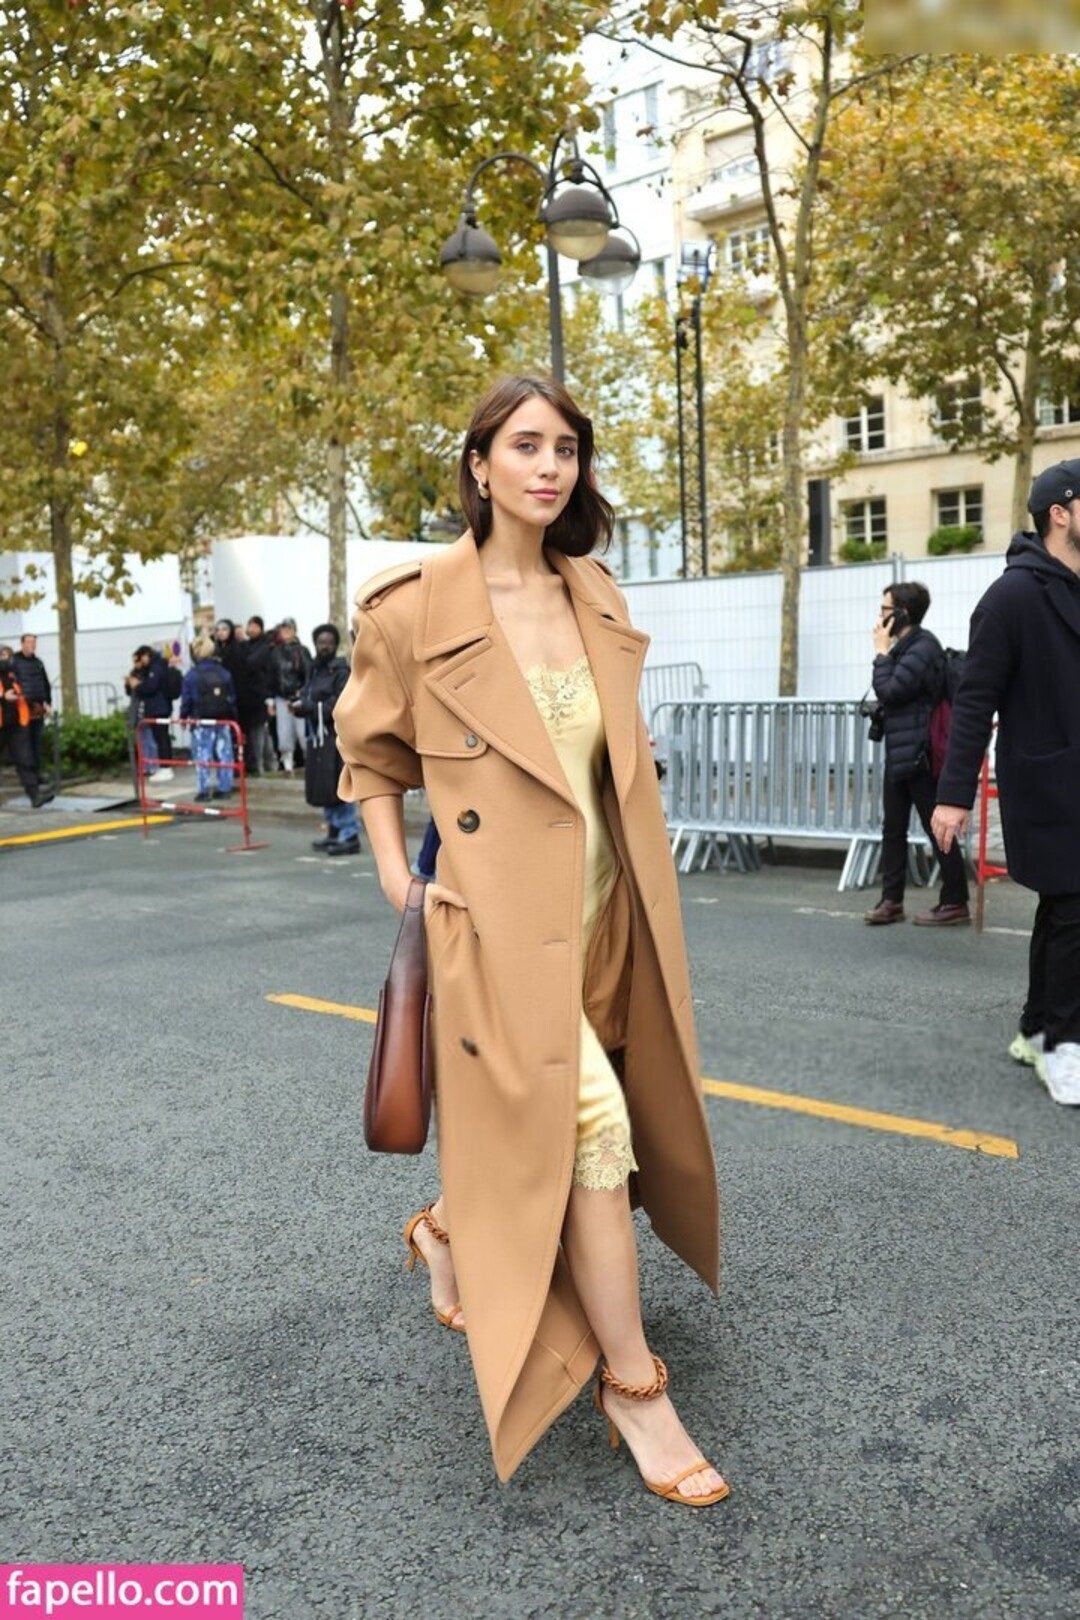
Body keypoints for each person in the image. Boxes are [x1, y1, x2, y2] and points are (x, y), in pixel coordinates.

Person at [334, 375, 727, 1505]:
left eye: (566, 448)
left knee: (545, 1112)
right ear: (479, 464)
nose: (549, 467)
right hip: (497, 927)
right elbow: (369, 756)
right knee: (594, 1132)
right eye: (524, 446)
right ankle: (634, 1386)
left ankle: (445, 1231)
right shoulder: (412, 608)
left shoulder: (592, 587)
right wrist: (397, 881)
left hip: (607, 914)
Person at [933, 458, 1080, 1107]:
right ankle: (1064, 1047)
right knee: (1074, 909)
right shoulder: (1012, 597)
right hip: (1047, 782)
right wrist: (952, 796)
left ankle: (1035, 1029)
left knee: (1064, 907)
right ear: (1061, 514)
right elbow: (974, 700)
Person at [862, 580, 971, 927]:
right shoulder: (906, 647)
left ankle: (955, 900)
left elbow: (892, 691)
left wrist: (881, 653)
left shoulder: (923, 647)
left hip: (920, 754)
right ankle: (891, 900)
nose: (879, 617)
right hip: (900, 751)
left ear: (902, 613)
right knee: (892, 829)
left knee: (936, 828)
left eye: (884, 609)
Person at [294, 623, 360, 855]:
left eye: (329, 643)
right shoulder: (314, 669)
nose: (325, 646)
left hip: (335, 737)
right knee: (323, 786)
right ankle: (333, 830)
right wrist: (300, 705)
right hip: (317, 736)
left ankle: (349, 834)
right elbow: (308, 694)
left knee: (338, 784)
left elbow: (340, 703)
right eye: (321, 642)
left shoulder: (341, 671)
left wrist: (311, 707)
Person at [180, 635, 237, 802]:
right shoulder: (224, 672)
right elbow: (232, 698)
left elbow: (187, 700)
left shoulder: (191, 675)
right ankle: (225, 788)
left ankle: (204, 790)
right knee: (224, 754)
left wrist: (184, 717)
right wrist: (233, 718)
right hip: (222, 720)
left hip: (201, 721)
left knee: (202, 755)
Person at [0, 645, 56, 808]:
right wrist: (3, 698)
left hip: (17, 723)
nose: (6, 659)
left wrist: (41, 705)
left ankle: (35, 795)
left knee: (24, 759)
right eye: (2, 655)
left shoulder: (13, 675)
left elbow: (25, 693)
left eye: (7, 655)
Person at [125, 645, 174, 782]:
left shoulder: (156, 668)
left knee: (161, 738)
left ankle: (165, 767)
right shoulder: (154, 667)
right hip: (157, 708)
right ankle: (163, 766)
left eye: (141, 659)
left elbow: (151, 687)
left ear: (147, 655)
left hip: (159, 708)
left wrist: (137, 685)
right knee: (159, 738)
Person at [269, 618, 310, 775]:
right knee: (284, 733)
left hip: (299, 697)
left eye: (288, 629)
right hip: (281, 698)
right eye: (283, 629)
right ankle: (287, 764)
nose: (285, 632)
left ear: (294, 631)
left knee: (303, 732)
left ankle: (309, 762)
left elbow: (308, 674)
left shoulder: (302, 651)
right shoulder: (275, 652)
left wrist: (303, 692)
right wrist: (270, 700)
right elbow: (271, 677)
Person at [12, 633, 52, 774]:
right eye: (29, 642)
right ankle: (27, 774)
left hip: (37, 707)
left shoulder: (38, 663)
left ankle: (37, 773)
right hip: (21, 708)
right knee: (24, 742)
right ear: (22, 643)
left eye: (34, 642)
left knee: (36, 742)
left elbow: (45, 683)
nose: (32, 645)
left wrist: (48, 703)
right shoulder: (14, 662)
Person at [241, 616, 277, 775]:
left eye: (255, 626)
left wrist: (269, 697)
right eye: (250, 625)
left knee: (259, 732)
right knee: (261, 732)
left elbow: (252, 664)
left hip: (260, 696)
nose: (251, 629)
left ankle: (260, 765)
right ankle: (270, 764)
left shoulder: (266, 646)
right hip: (250, 696)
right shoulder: (246, 645)